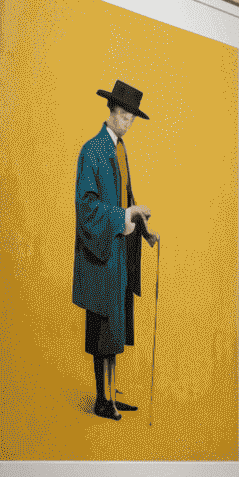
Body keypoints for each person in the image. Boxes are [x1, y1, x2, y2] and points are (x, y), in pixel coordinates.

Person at [72, 80, 159, 421]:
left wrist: (144, 230)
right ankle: (101, 399)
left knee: (116, 327)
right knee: (103, 327)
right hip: (101, 254)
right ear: (112, 111)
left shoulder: (120, 149)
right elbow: (86, 207)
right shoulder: (92, 151)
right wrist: (124, 216)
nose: (127, 122)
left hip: (119, 253)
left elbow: (128, 198)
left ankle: (111, 393)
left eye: (131, 118)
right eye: (124, 115)